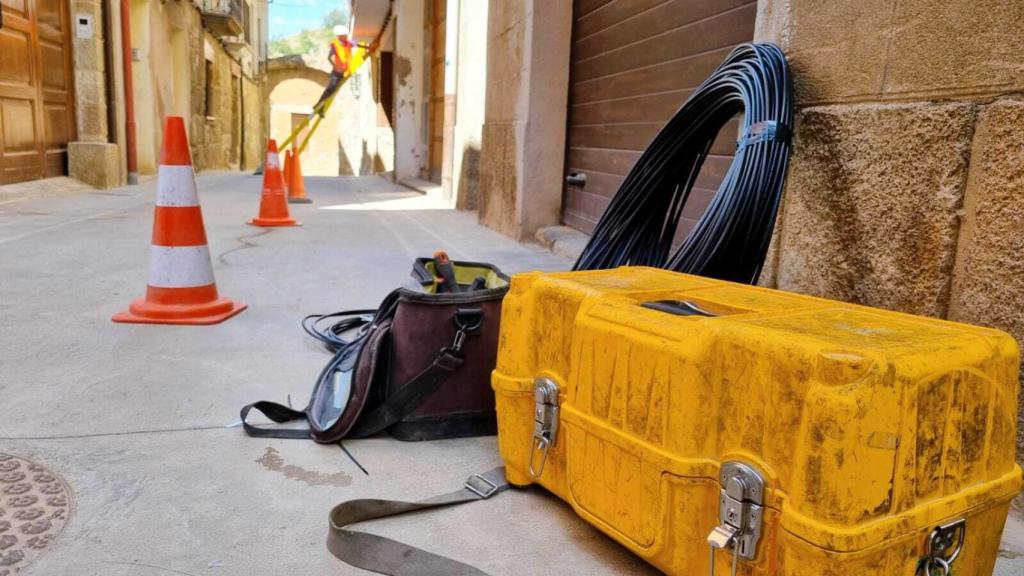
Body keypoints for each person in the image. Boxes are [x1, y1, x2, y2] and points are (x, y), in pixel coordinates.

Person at [312, 25, 374, 115]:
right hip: (336, 72)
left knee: (333, 91)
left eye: (345, 35)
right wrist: (335, 65)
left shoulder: (348, 43)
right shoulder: (335, 44)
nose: (345, 36)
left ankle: (321, 109)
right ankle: (318, 106)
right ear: (339, 36)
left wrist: (369, 48)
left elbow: (358, 44)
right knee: (330, 89)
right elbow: (329, 57)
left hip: (344, 72)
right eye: (344, 35)